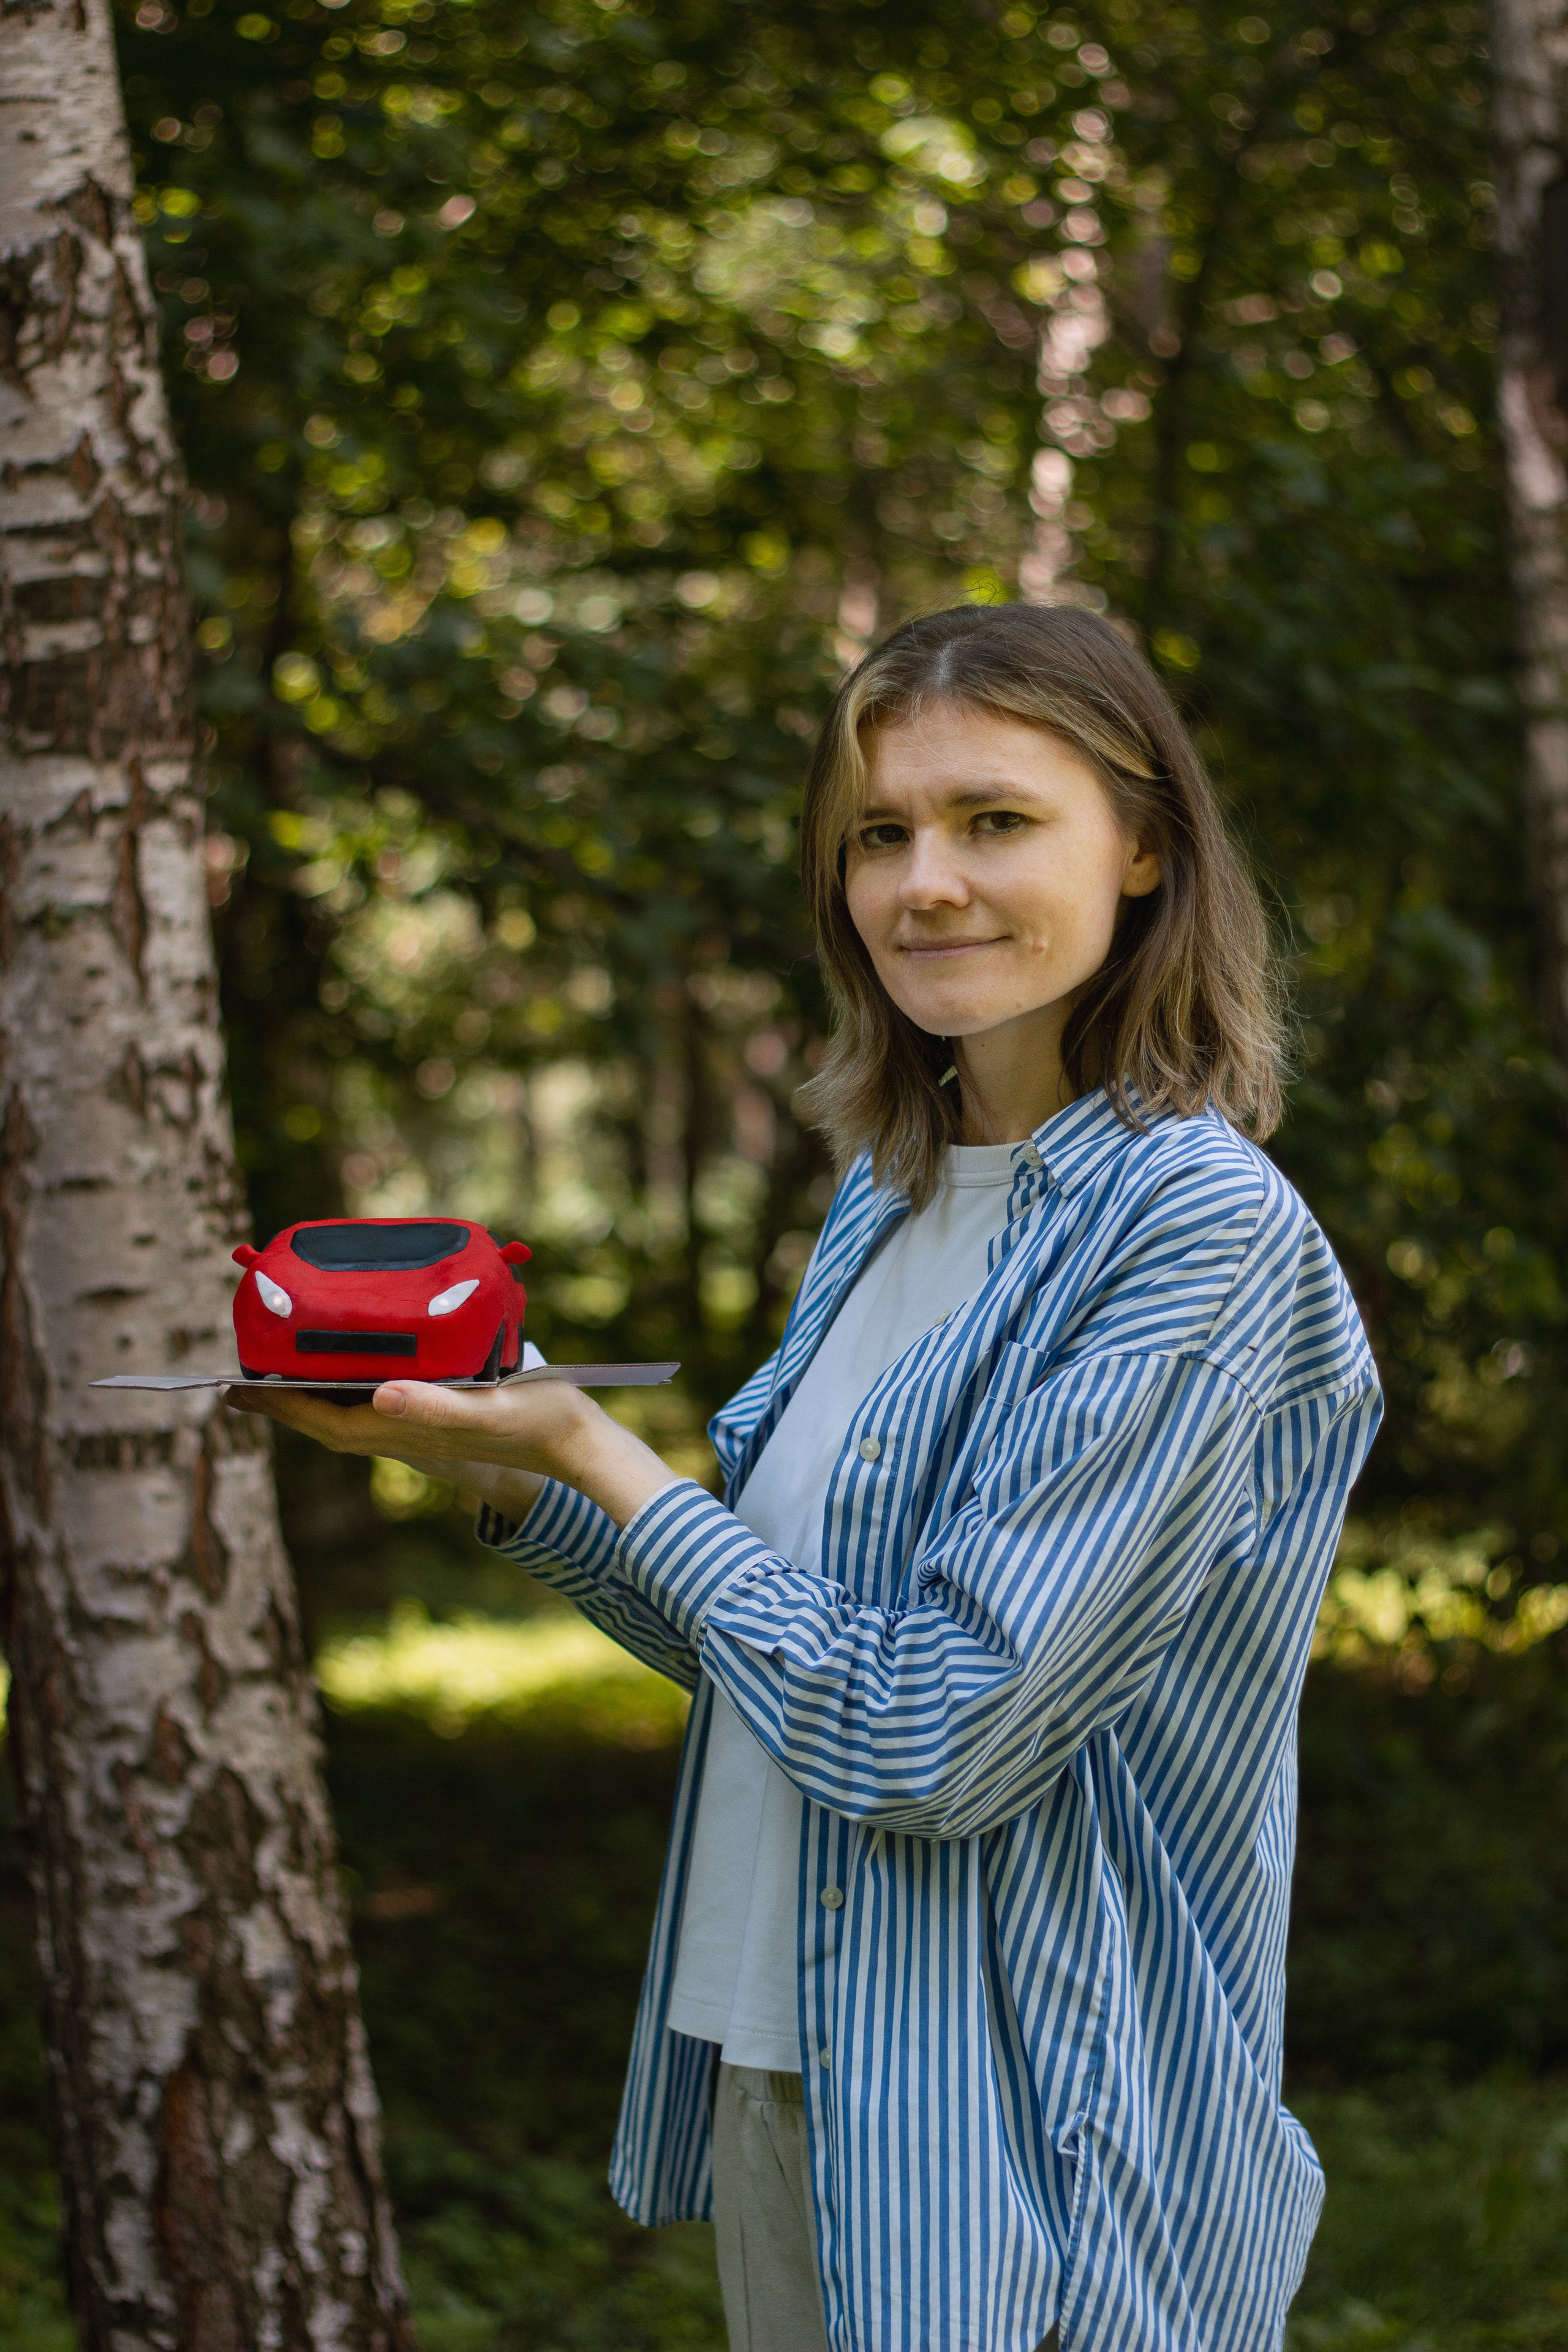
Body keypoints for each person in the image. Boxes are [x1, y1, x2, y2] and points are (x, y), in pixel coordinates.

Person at [233, 602, 1381, 2352]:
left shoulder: (1196, 1235)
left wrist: (608, 1460)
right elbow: (784, 1657)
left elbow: (934, 1736)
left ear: (1146, 848)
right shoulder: (893, 1194)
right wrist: (512, 1462)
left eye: (996, 822)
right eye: (879, 835)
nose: (928, 883)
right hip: (800, 2057)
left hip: (1038, 2141)